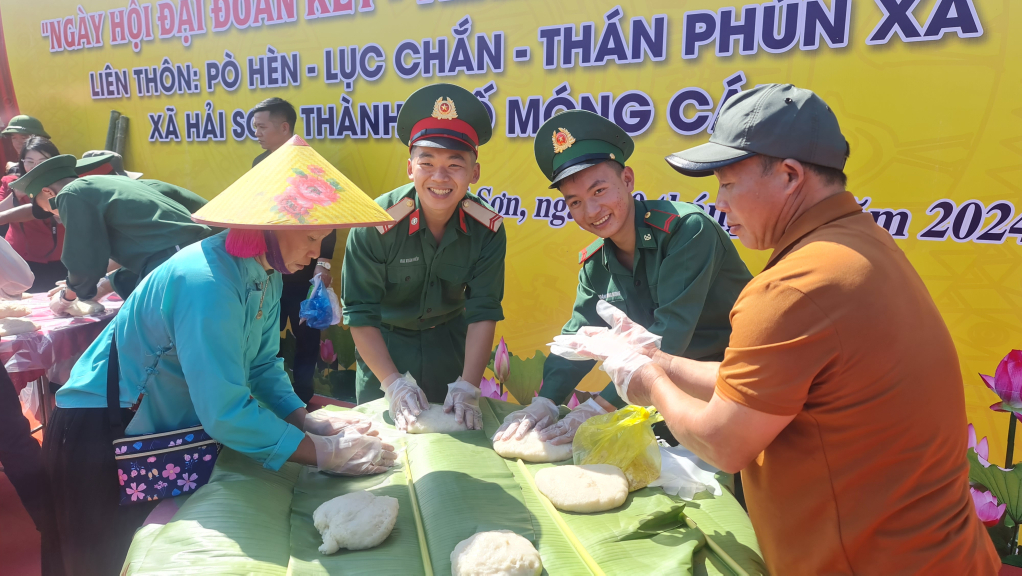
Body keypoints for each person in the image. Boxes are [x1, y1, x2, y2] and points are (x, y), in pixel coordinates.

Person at [553, 84, 999, 574]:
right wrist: (660, 360)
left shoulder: (792, 286)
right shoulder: (859, 244)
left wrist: (647, 380)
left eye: (728, 184)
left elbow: (723, 441)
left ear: (789, 175)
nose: (719, 204)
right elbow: (766, 384)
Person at [41, 136, 396, 576]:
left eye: (322, 239)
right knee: (102, 560)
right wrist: (322, 453)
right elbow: (225, 411)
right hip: (101, 431)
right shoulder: (206, 281)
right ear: (269, 226)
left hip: (154, 434)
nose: (314, 252)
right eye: (309, 236)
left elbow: (263, 367)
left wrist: (305, 419)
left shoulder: (265, 276)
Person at [493, 110, 752, 449]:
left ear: (627, 180)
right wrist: (545, 402)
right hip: (658, 399)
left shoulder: (686, 231)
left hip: (728, 396)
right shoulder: (595, 262)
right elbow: (575, 338)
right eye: (575, 202)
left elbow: (667, 338)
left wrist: (595, 408)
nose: (591, 211)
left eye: (599, 190)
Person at [342, 83, 506, 431]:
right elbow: (360, 314)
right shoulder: (376, 223)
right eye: (427, 162)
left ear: (474, 173)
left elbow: (483, 310)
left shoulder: (486, 228)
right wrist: (392, 384)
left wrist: (468, 386)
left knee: (457, 444)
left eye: (454, 165)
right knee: (382, 454)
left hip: (449, 350)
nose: (440, 177)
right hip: (383, 352)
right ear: (410, 168)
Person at [9, 154, 213, 312]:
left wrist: (66, 296)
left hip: (178, 265)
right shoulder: (123, 184)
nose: (56, 216)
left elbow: (85, 258)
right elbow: (135, 246)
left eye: (49, 209)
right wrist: (93, 283)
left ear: (48, 193)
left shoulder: (71, 193)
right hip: (205, 255)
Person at [251, 97, 335, 404]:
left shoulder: (310, 167)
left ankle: (302, 399)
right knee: (264, 337)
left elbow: (328, 216)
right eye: (255, 127)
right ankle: (266, 399)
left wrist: (323, 263)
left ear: (284, 127)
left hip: (303, 269)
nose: (256, 133)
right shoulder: (259, 165)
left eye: (262, 127)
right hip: (268, 269)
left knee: (306, 337)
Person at [0, 137, 67, 291]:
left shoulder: (67, 183)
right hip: (21, 261)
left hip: (62, 258)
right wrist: (16, 194)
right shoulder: (10, 182)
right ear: (22, 162)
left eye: (43, 161)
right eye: (29, 161)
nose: (35, 167)